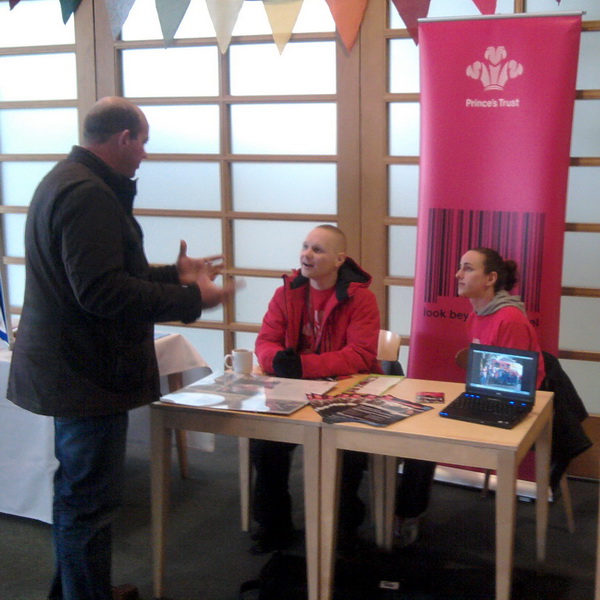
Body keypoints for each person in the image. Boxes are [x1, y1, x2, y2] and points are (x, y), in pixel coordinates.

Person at [7, 96, 233, 600]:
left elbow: (102, 276)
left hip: (75, 364)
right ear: (123, 138)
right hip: (82, 370)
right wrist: (193, 296)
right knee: (86, 501)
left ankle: (78, 592)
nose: (145, 155)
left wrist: (174, 275)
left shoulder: (67, 180)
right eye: (144, 142)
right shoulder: (87, 193)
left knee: (82, 497)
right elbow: (102, 293)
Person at [395, 247, 546, 548]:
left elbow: (515, 386)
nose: (457, 275)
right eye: (459, 267)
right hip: (486, 397)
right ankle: (408, 513)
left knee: (426, 436)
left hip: (514, 407)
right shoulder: (477, 314)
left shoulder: (510, 320)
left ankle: (408, 515)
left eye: (467, 268)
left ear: (490, 278)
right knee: (419, 429)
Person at [250, 224, 381, 554]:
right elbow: (265, 341)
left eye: (317, 250)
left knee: (347, 453)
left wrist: (304, 366)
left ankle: (344, 526)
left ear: (339, 260)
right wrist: (277, 360)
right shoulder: (287, 292)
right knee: (265, 444)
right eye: (305, 247)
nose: (306, 254)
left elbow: (361, 355)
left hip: (345, 390)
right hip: (293, 387)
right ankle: (273, 526)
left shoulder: (361, 298)